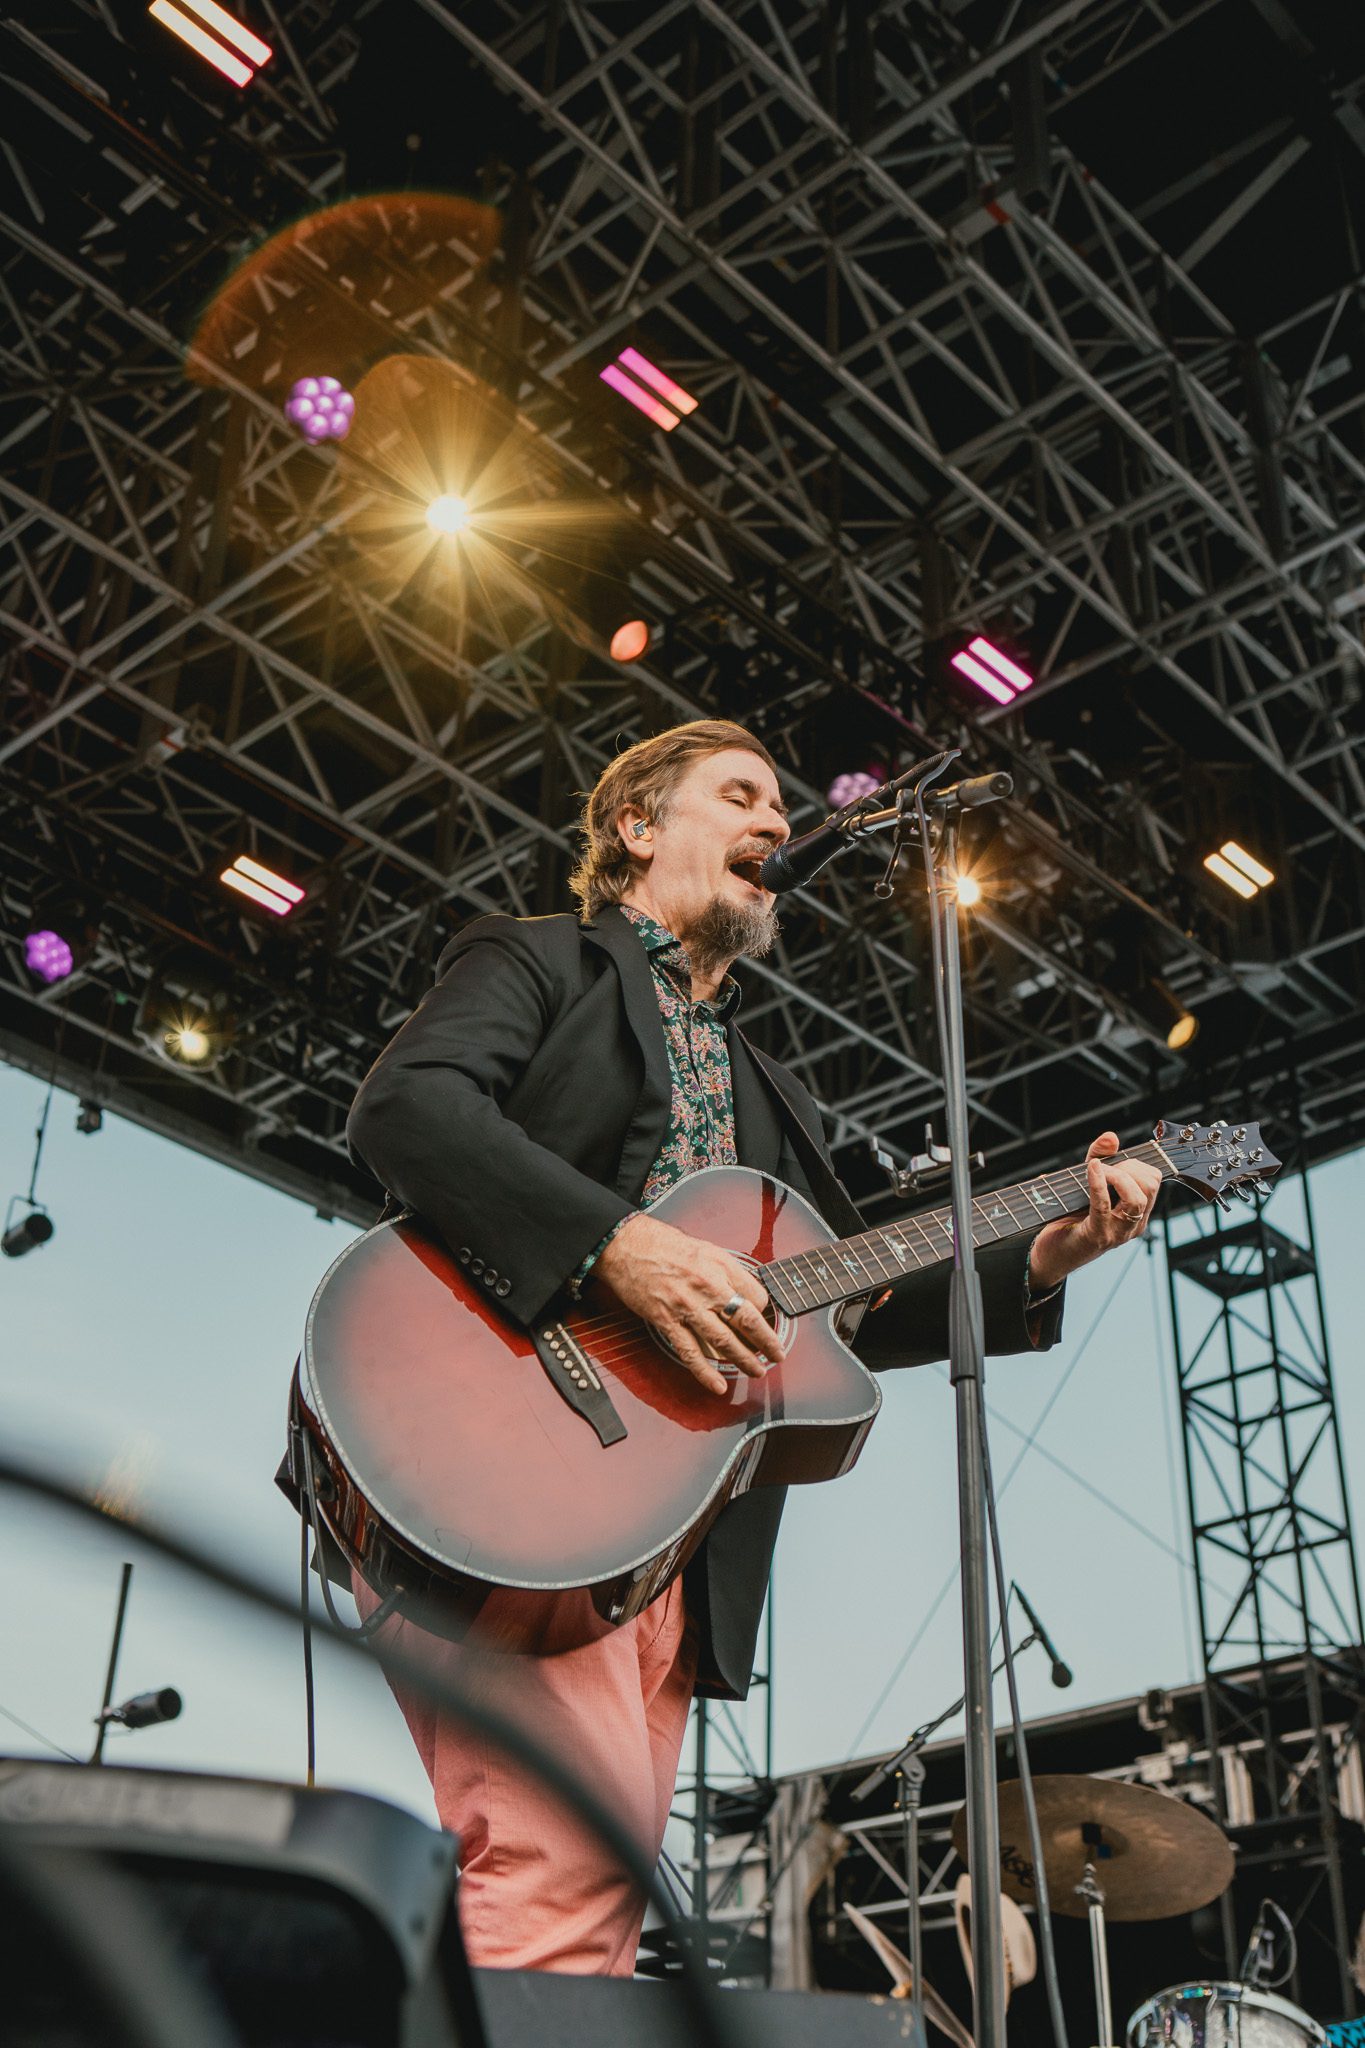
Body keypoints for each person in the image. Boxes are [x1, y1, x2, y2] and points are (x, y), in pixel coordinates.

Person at [343, 718, 1162, 1976]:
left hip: (667, 1525)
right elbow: (407, 1107)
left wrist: (1047, 1255)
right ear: (636, 826)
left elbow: (845, 1309)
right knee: (560, 1868)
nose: (777, 821)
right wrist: (618, 1246)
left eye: (779, 802)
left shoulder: (772, 1087)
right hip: (506, 1459)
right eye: (739, 795)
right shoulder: (540, 958)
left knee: (595, 1892)